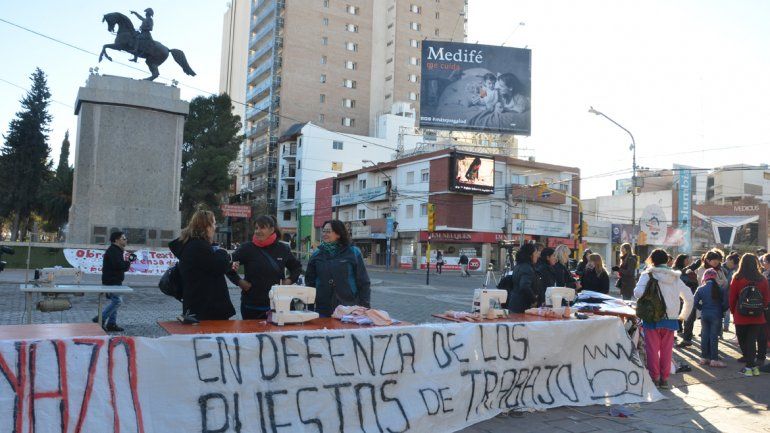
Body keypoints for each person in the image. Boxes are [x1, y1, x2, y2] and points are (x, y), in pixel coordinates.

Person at [633, 249, 694, 389]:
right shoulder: (675, 277)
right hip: (671, 319)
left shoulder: (648, 274)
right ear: (667, 261)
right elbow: (689, 298)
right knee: (667, 350)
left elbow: (637, 293)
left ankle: (655, 377)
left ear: (652, 260)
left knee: (652, 349)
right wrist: (682, 316)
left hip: (651, 317)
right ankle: (665, 379)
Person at [226, 215, 302, 319]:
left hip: (276, 306)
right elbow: (228, 264)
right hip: (251, 307)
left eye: (262, 227)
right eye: (256, 228)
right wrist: (239, 281)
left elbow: (297, 267)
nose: (258, 231)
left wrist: (289, 280)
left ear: (271, 230)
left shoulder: (282, 249)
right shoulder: (247, 248)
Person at [169, 210, 236, 321]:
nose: (215, 227)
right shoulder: (198, 246)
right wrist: (223, 253)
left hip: (200, 304)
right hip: (206, 308)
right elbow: (217, 266)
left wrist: (227, 264)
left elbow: (207, 268)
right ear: (206, 226)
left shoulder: (194, 245)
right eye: (214, 223)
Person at [305, 220, 371, 316]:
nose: (325, 234)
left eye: (328, 231)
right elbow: (310, 282)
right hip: (323, 307)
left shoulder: (353, 252)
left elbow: (363, 281)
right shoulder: (317, 254)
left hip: (348, 306)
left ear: (339, 234)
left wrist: (365, 306)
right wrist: (310, 307)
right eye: (324, 231)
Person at [729, 253, 769, 376]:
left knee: (743, 341)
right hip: (758, 315)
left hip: (741, 315)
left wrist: (733, 311)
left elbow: (732, 297)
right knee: (752, 340)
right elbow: (767, 298)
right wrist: (762, 308)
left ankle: (749, 367)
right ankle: (752, 367)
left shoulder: (737, 278)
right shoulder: (762, 279)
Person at [681, 250, 727, 347]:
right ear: (707, 260)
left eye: (717, 260)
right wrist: (717, 283)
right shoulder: (702, 269)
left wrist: (717, 283)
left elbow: (725, 282)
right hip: (699, 297)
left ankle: (707, 344)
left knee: (707, 322)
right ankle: (687, 339)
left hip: (713, 300)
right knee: (690, 317)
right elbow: (703, 282)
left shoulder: (720, 270)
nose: (716, 262)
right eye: (713, 260)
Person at [92, 231, 135, 332]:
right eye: (123, 238)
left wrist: (127, 262)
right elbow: (118, 265)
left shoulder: (117, 250)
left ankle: (112, 324)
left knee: (115, 300)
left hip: (115, 280)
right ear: (116, 240)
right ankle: (100, 319)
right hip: (111, 281)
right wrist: (128, 262)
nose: (126, 240)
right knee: (117, 301)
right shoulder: (113, 250)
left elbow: (119, 265)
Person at [693, 269, 729, 367]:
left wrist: (702, 308)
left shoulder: (700, 289)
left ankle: (704, 358)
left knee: (704, 336)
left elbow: (694, 302)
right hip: (716, 315)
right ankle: (714, 359)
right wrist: (721, 310)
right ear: (715, 277)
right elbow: (726, 304)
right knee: (713, 337)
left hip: (705, 314)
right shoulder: (720, 289)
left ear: (705, 277)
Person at [498, 243, 543, 313]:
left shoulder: (519, 265)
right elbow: (524, 286)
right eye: (535, 253)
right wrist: (534, 300)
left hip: (514, 303)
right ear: (530, 255)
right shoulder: (527, 268)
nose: (537, 255)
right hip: (522, 306)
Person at [722, 253, 740, 334]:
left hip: (730, 294)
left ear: (731, 260)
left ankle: (725, 327)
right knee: (724, 311)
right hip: (723, 293)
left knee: (728, 311)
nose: (725, 262)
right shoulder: (721, 268)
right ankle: (721, 329)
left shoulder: (735, 270)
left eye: (727, 260)